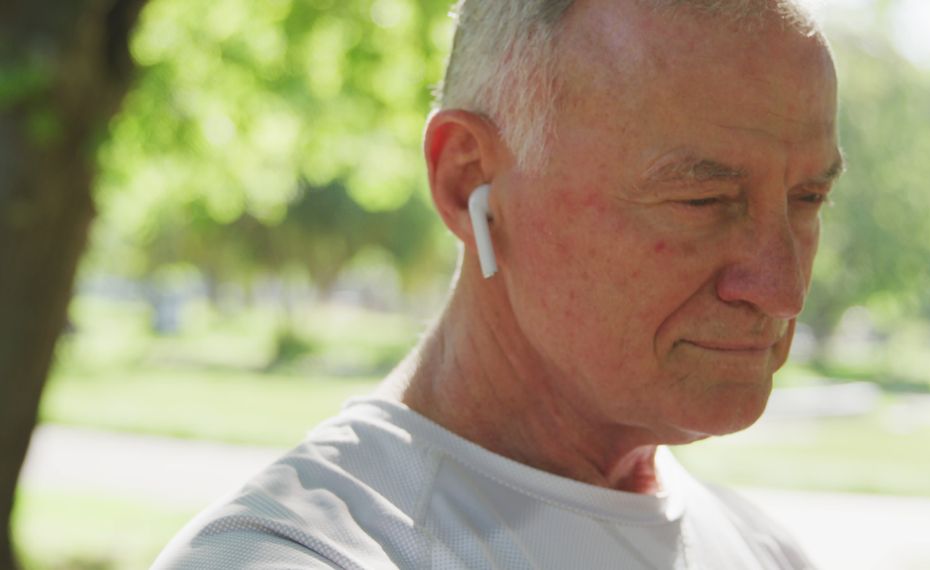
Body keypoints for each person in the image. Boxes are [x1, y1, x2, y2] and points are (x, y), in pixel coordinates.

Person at [154, 0, 843, 567]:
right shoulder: (304, 551)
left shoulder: (765, 551)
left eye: (808, 199)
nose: (781, 290)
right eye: (702, 201)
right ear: (468, 181)